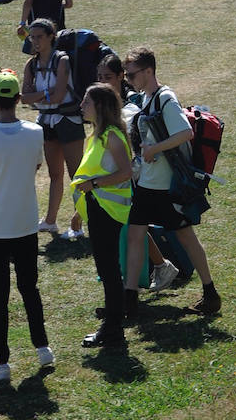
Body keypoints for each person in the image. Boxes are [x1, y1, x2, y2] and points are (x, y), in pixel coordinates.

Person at [121, 47, 221, 318]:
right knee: (135, 236)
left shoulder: (166, 97)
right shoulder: (145, 97)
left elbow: (185, 133)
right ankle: (129, 299)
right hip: (147, 185)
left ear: (149, 71)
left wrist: (154, 150)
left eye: (132, 74)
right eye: (127, 75)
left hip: (166, 186)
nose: (129, 79)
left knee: (186, 237)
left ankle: (210, 293)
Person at [0, 72, 51, 379]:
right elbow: (34, 166)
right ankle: (42, 348)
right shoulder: (35, 132)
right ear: (19, 99)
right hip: (26, 222)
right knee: (29, 288)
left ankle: (2, 363)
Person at [95, 55, 180, 294]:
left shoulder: (131, 106)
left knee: (131, 226)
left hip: (131, 175)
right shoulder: (103, 105)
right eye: (99, 77)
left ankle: (135, 280)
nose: (102, 82)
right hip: (117, 175)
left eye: (108, 77)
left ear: (121, 77)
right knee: (132, 226)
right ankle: (156, 268)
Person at [71, 84, 135, 351]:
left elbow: (126, 172)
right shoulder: (95, 136)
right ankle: (112, 326)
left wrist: (95, 185)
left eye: (86, 101)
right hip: (97, 209)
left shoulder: (111, 136)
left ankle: (113, 328)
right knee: (106, 269)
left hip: (109, 212)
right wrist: (78, 212)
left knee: (108, 270)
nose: (82, 105)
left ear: (99, 106)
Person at [19, 18, 84, 239]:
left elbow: (51, 95)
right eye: (32, 37)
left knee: (78, 175)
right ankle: (50, 221)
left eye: (39, 37)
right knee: (55, 174)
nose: (35, 41)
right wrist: (44, 97)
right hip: (46, 122)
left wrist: (38, 98)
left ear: (51, 37)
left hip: (67, 120)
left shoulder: (62, 60)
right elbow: (23, 98)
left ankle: (79, 223)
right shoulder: (31, 64)